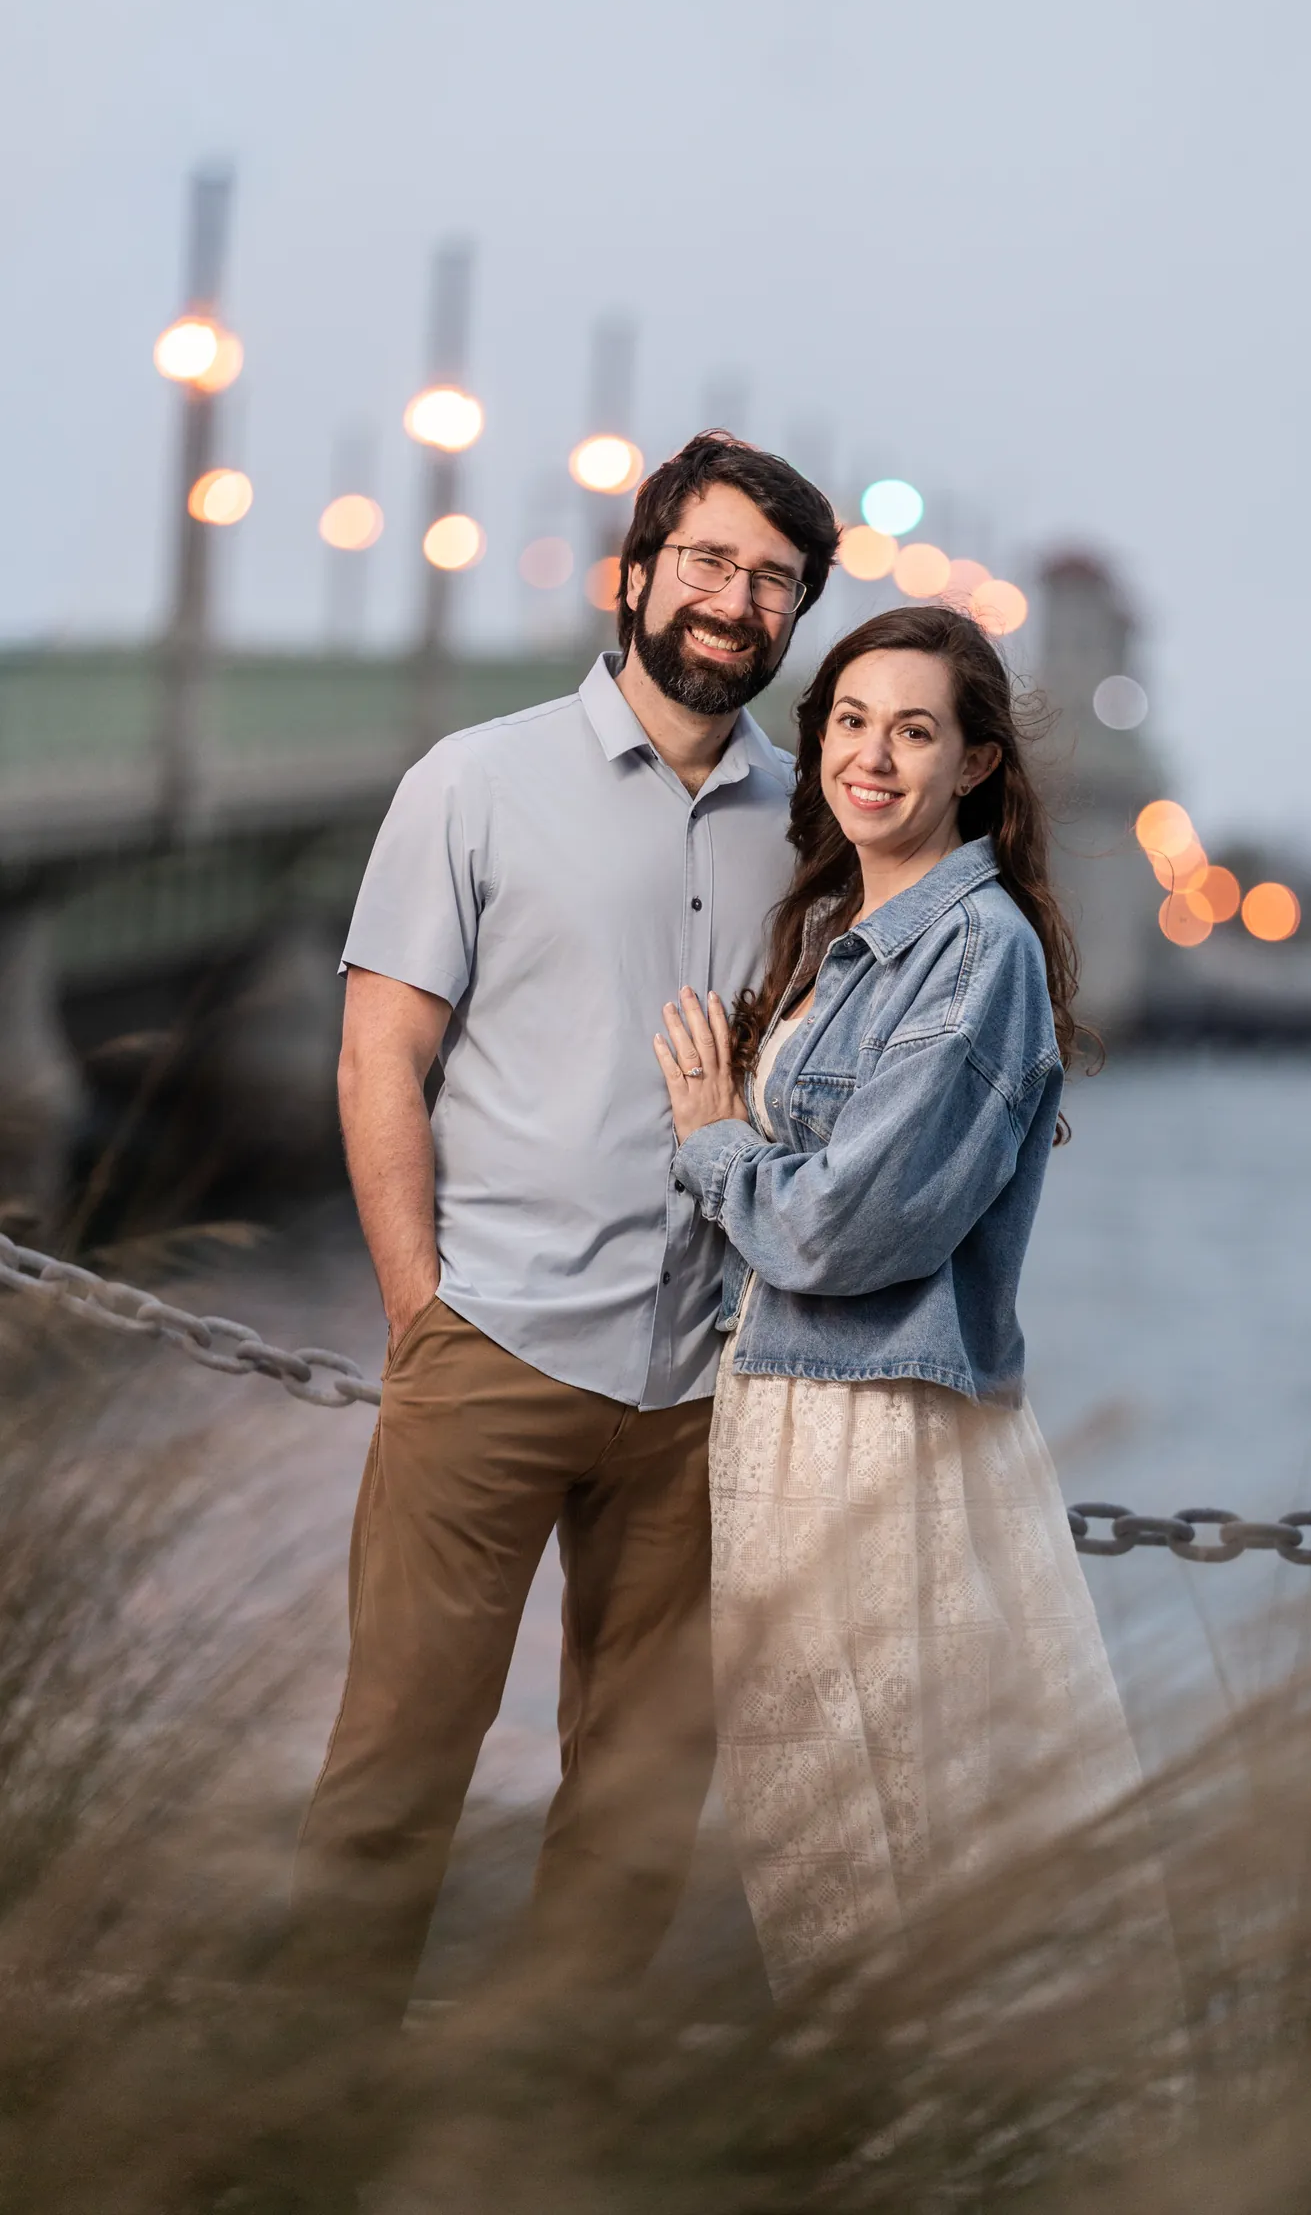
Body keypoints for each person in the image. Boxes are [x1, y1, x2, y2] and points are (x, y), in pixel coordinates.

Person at [288, 432, 839, 2017]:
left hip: (697, 1397)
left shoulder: (807, 831)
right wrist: (418, 1311)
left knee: (636, 1817)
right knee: (395, 1779)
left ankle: (532, 2131)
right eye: (715, 562)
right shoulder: (475, 780)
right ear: (641, 568)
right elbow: (378, 1050)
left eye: (776, 581)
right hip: (494, 1350)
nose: (739, 602)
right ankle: (297, 2127)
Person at [654, 602, 1145, 1995]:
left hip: (870, 1429)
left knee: (891, 1838)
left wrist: (710, 1137)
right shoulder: (836, 927)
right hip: (788, 1412)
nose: (872, 756)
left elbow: (846, 1230)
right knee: (811, 1833)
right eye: (851, 723)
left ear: (978, 763)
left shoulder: (972, 953)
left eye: (915, 730)